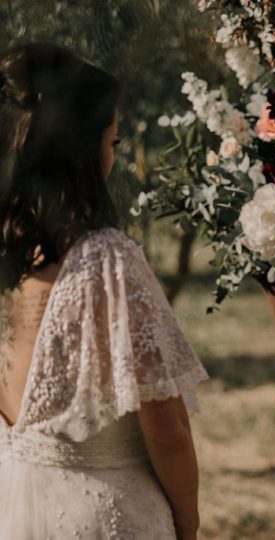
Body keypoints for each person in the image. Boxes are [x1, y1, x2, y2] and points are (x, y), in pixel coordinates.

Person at [0, 43, 208, 539]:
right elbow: (168, 429)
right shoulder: (107, 260)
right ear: (78, 152)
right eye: (111, 142)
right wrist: (189, 520)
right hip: (104, 515)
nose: (113, 158)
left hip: (15, 504)